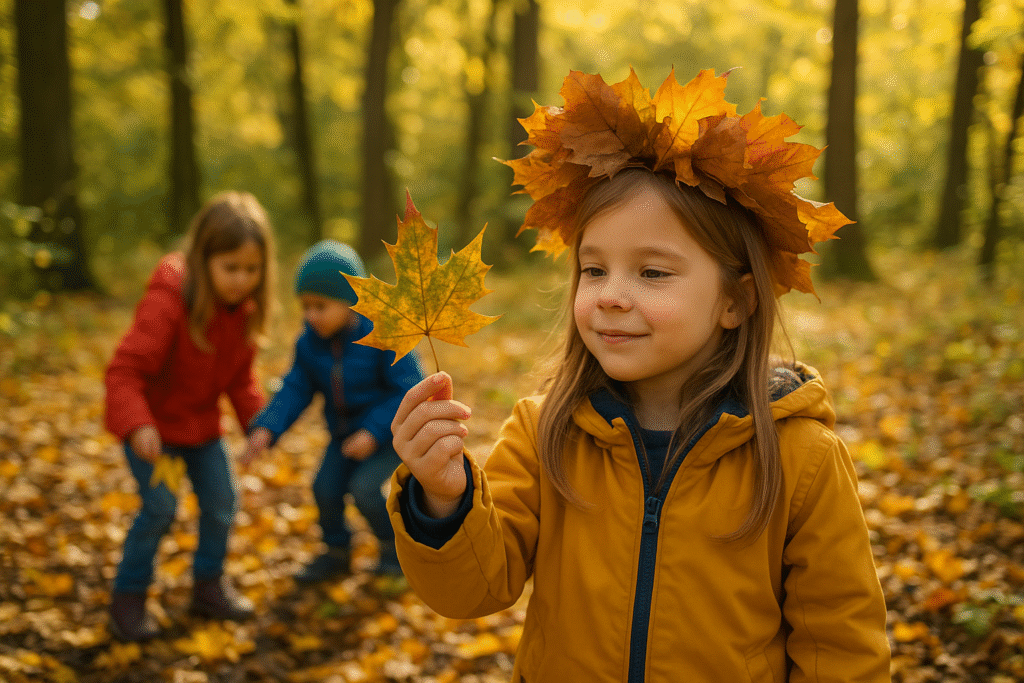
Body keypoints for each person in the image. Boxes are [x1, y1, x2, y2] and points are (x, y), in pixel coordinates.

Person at [386, 69, 891, 681]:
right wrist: (444, 499)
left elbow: (840, 645)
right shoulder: (543, 433)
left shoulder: (799, 459)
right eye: (593, 271)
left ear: (737, 301)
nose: (611, 296)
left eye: (652, 274)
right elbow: (472, 592)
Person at [104, 191, 277, 641]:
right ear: (204, 260)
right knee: (160, 508)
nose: (241, 280)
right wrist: (138, 423)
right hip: (155, 435)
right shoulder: (169, 302)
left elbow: (239, 379)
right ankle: (129, 598)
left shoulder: (243, 313)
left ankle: (207, 586)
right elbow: (125, 370)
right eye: (230, 268)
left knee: (222, 504)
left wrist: (258, 424)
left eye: (251, 269)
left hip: (201, 432)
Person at [245, 240, 424, 583]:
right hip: (344, 437)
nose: (311, 315)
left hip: (389, 437)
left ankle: (394, 551)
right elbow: (295, 388)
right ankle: (336, 552)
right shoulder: (309, 343)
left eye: (320, 306)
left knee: (365, 490)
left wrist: (373, 432)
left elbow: (409, 390)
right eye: (306, 306)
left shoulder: (385, 333)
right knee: (325, 489)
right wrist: (267, 427)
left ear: (350, 302)